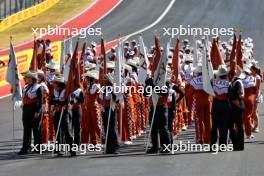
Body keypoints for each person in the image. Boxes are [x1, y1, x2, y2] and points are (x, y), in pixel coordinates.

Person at [50, 75, 76, 156]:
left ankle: (72, 149)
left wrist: (58, 101)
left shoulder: (66, 91)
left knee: (67, 131)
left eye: (54, 83)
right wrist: (58, 101)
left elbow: (67, 101)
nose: (53, 84)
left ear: (59, 84)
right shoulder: (54, 91)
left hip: (65, 112)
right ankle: (58, 149)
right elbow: (51, 101)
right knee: (58, 131)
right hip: (57, 112)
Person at [18, 71, 43, 155]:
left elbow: (40, 101)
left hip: (34, 110)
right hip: (26, 110)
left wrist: (38, 111)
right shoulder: (25, 87)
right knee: (26, 130)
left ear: (32, 79)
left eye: (27, 77)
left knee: (36, 129)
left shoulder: (39, 87)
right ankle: (25, 148)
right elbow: (23, 98)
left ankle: (38, 147)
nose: (25, 79)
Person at [211, 64, 230, 146]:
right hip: (225, 104)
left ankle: (213, 144)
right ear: (226, 75)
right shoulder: (228, 83)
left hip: (215, 103)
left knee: (214, 125)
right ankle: (223, 144)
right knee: (224, 125)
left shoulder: (213, 82)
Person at [228, 66, 245, 151]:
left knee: (237, 125)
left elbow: (237, 95)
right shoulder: (236, 82)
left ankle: (238, 144)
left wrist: (233, 100)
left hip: (237, 106)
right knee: (235, 125)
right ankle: (237, 144)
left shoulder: (238, 82)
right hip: (236, 106)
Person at [102, 73, 119, 154]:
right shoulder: (104, 89)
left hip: (111, 109)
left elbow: (117, 99)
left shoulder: (113, 88)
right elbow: (101, 99)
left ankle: (114, 147)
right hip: (105, 110)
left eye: (105, 79)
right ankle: (108, 148)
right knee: (106, 129)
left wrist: (113, 93)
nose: (103, 80)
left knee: (112, 129)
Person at [251, 65, 262, 133]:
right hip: (252, 95)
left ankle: (256, 126)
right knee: (253, 111)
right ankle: (253, 124)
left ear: (255, 70)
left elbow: (257, 89)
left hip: (256, 95)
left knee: (254, 111)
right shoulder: (252, 76)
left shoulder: (257, 78)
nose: (250, 71)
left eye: (251, 70)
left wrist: (255, 98)